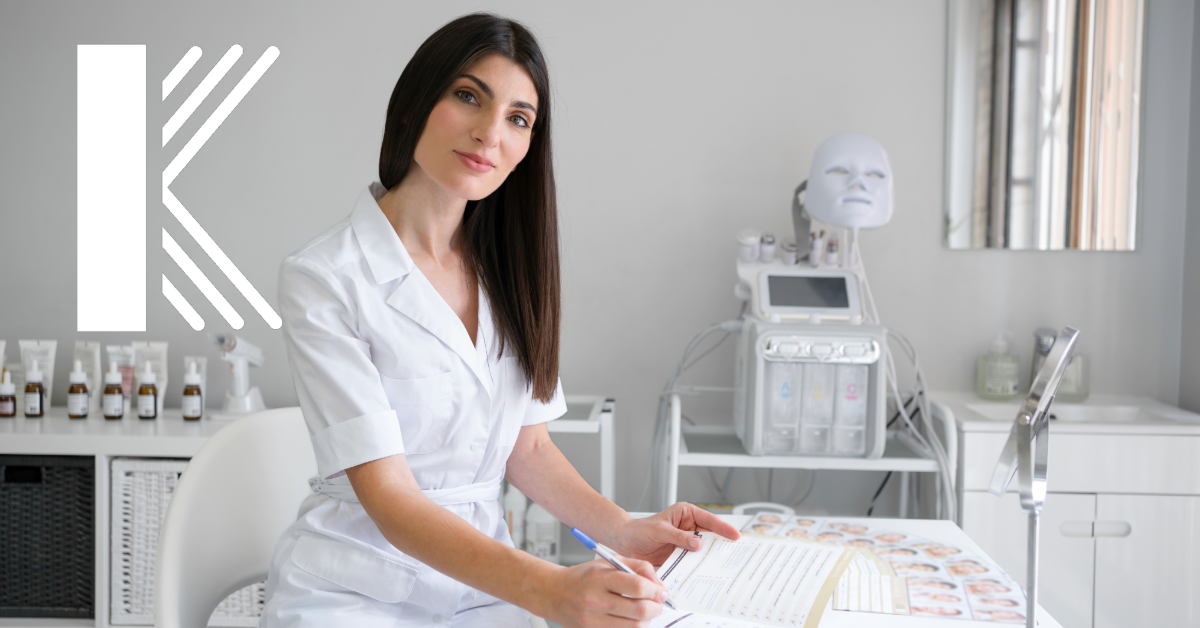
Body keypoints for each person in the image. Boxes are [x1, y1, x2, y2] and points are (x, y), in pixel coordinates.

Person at [260, 13, 739, 628]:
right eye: (468, 96)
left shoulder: (509, 272)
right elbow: (391, 499)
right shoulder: (324, 277)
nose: (490, 133)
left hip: (484, 592)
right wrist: (550, 591)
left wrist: (623, 529)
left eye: (518, 119)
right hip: (356, 592)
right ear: (413, 105)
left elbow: (527, 447)